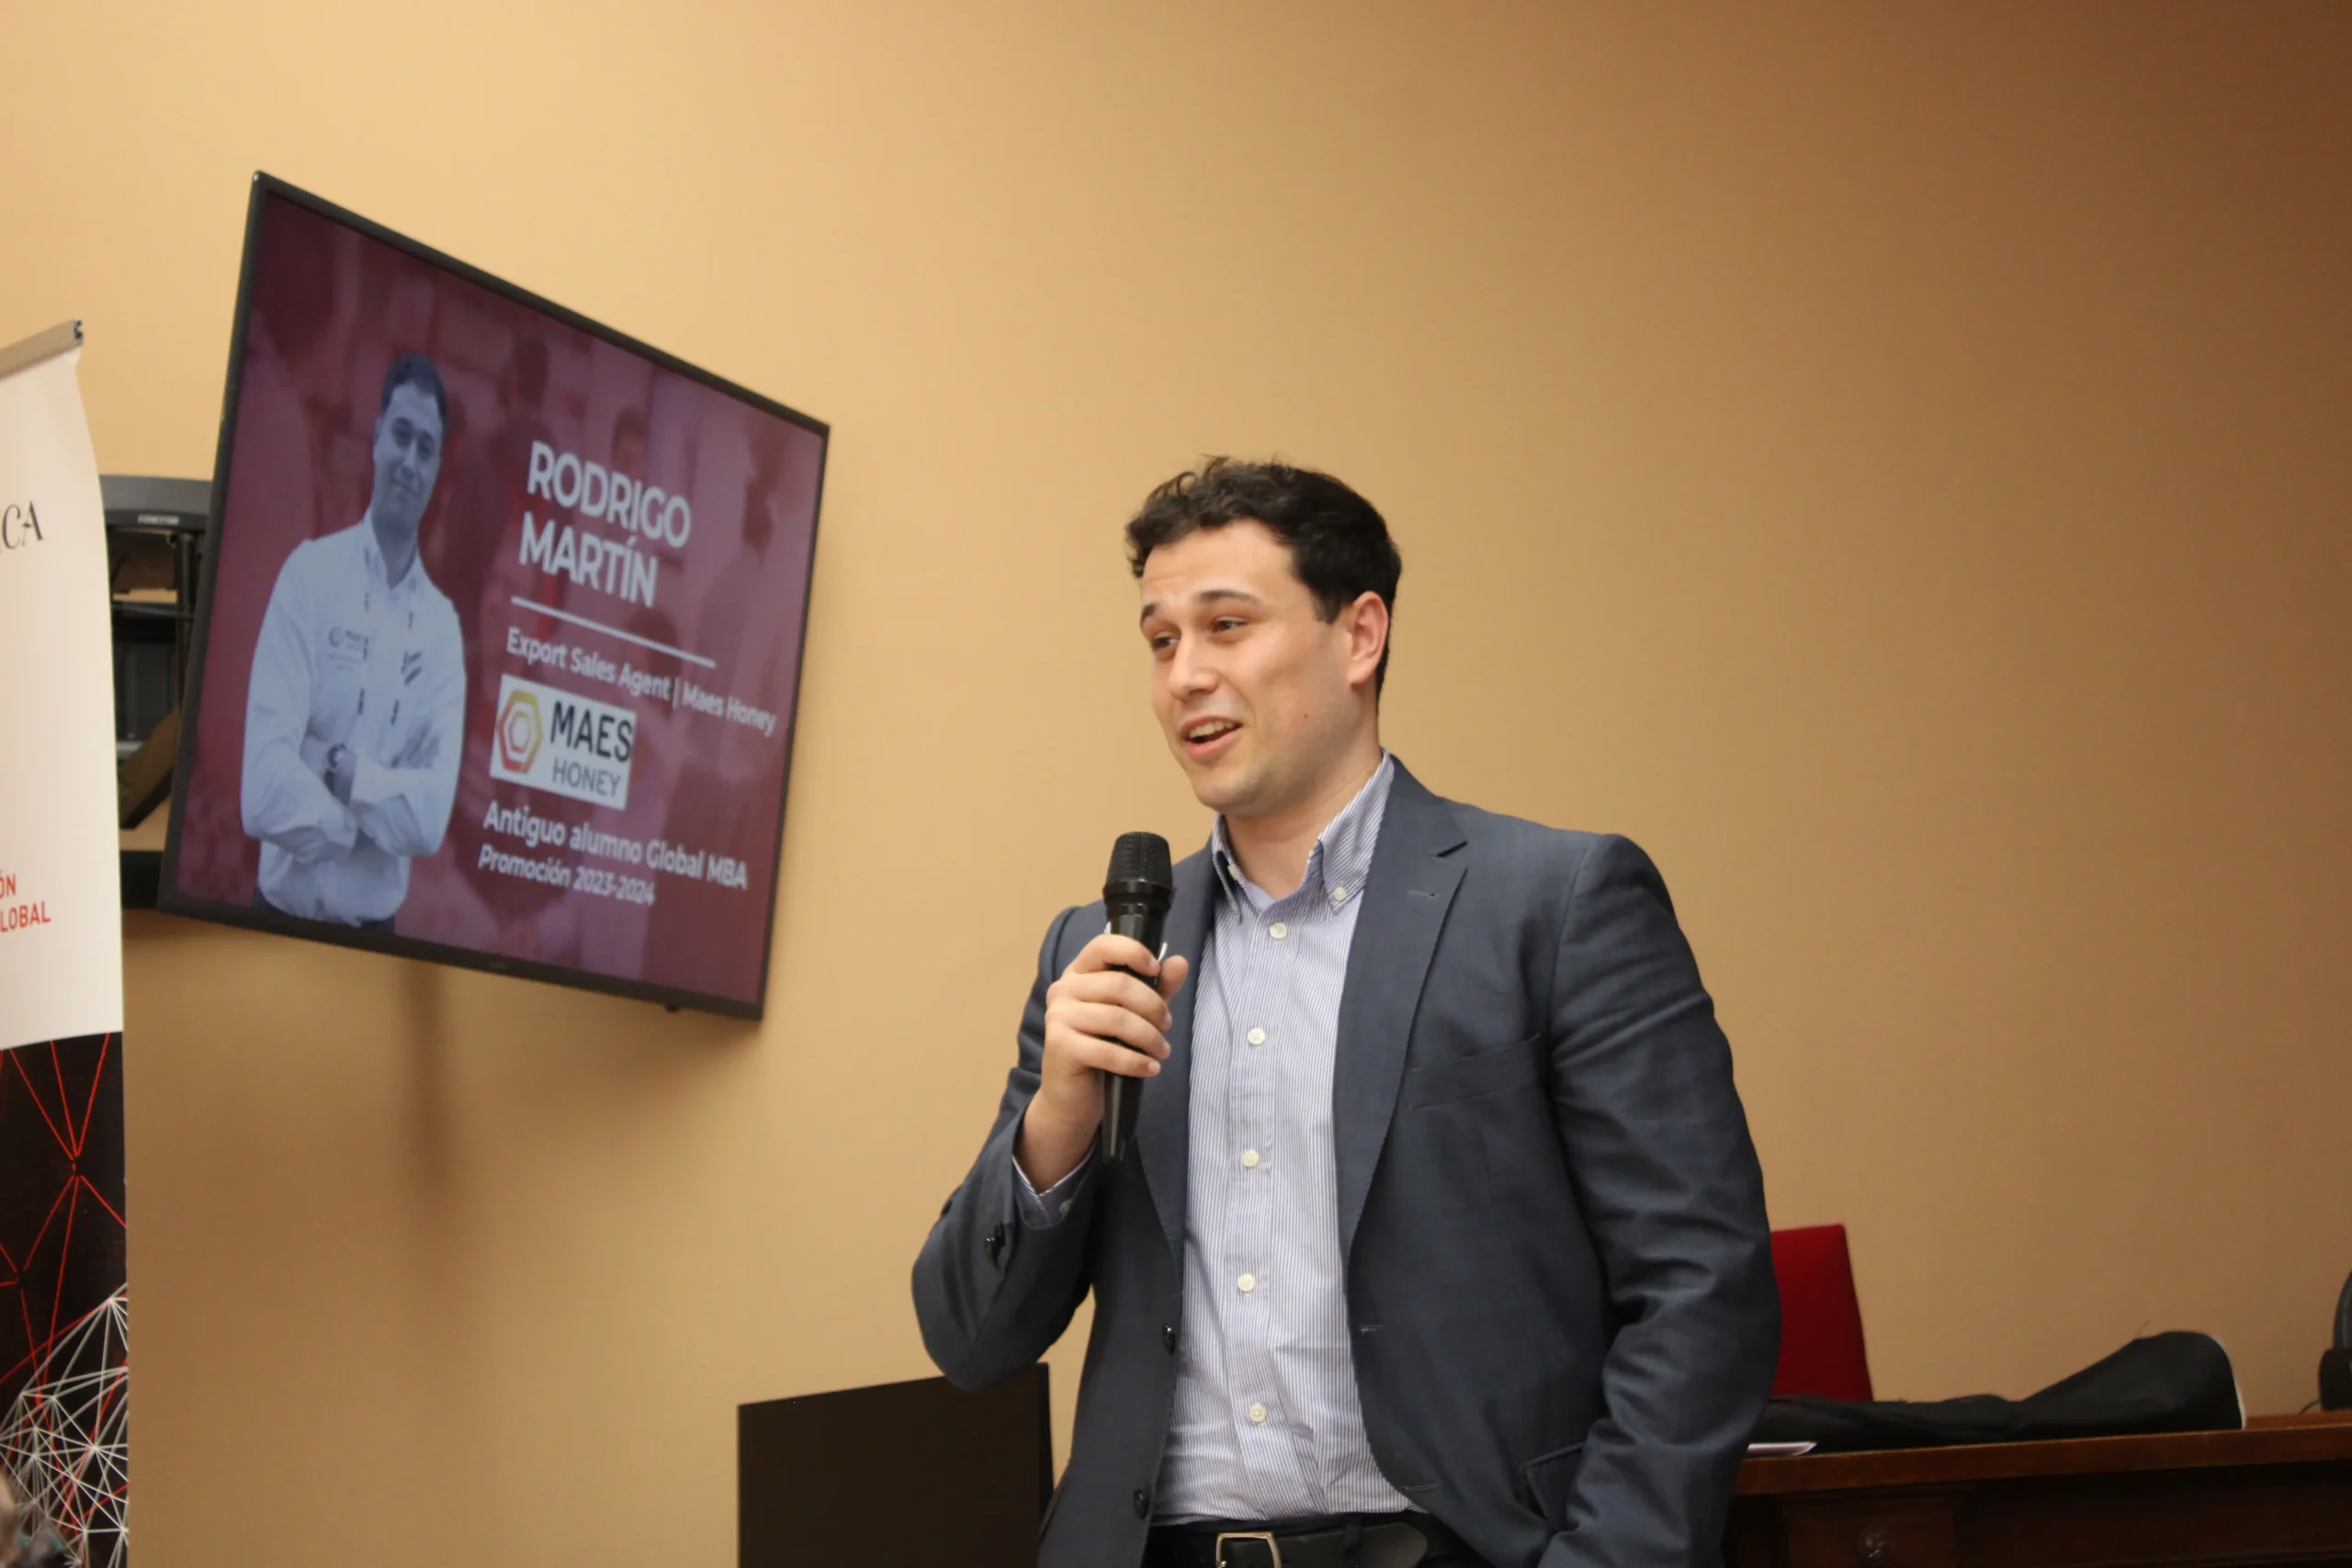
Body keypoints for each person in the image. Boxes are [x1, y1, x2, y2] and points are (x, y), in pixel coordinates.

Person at [912, 460, 1778, 1568]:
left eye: (1227, 625)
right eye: (1161, 641)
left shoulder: (1553, 905)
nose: (1185, 675)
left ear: (1360, 636)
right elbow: (971, 1343)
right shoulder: (1105, 953)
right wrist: (1058, 1123)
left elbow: (1700, 1289)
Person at [241, 353, 467, 931]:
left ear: (437, 469)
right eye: (401, 436)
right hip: (278, 924)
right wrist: (365, 827)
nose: (410, 461)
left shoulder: (442, 632)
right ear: (376, 437)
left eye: (426, 448)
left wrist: (332, 765)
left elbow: (429, 820)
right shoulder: (309, 575)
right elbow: (262, 789)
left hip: (375, 944)